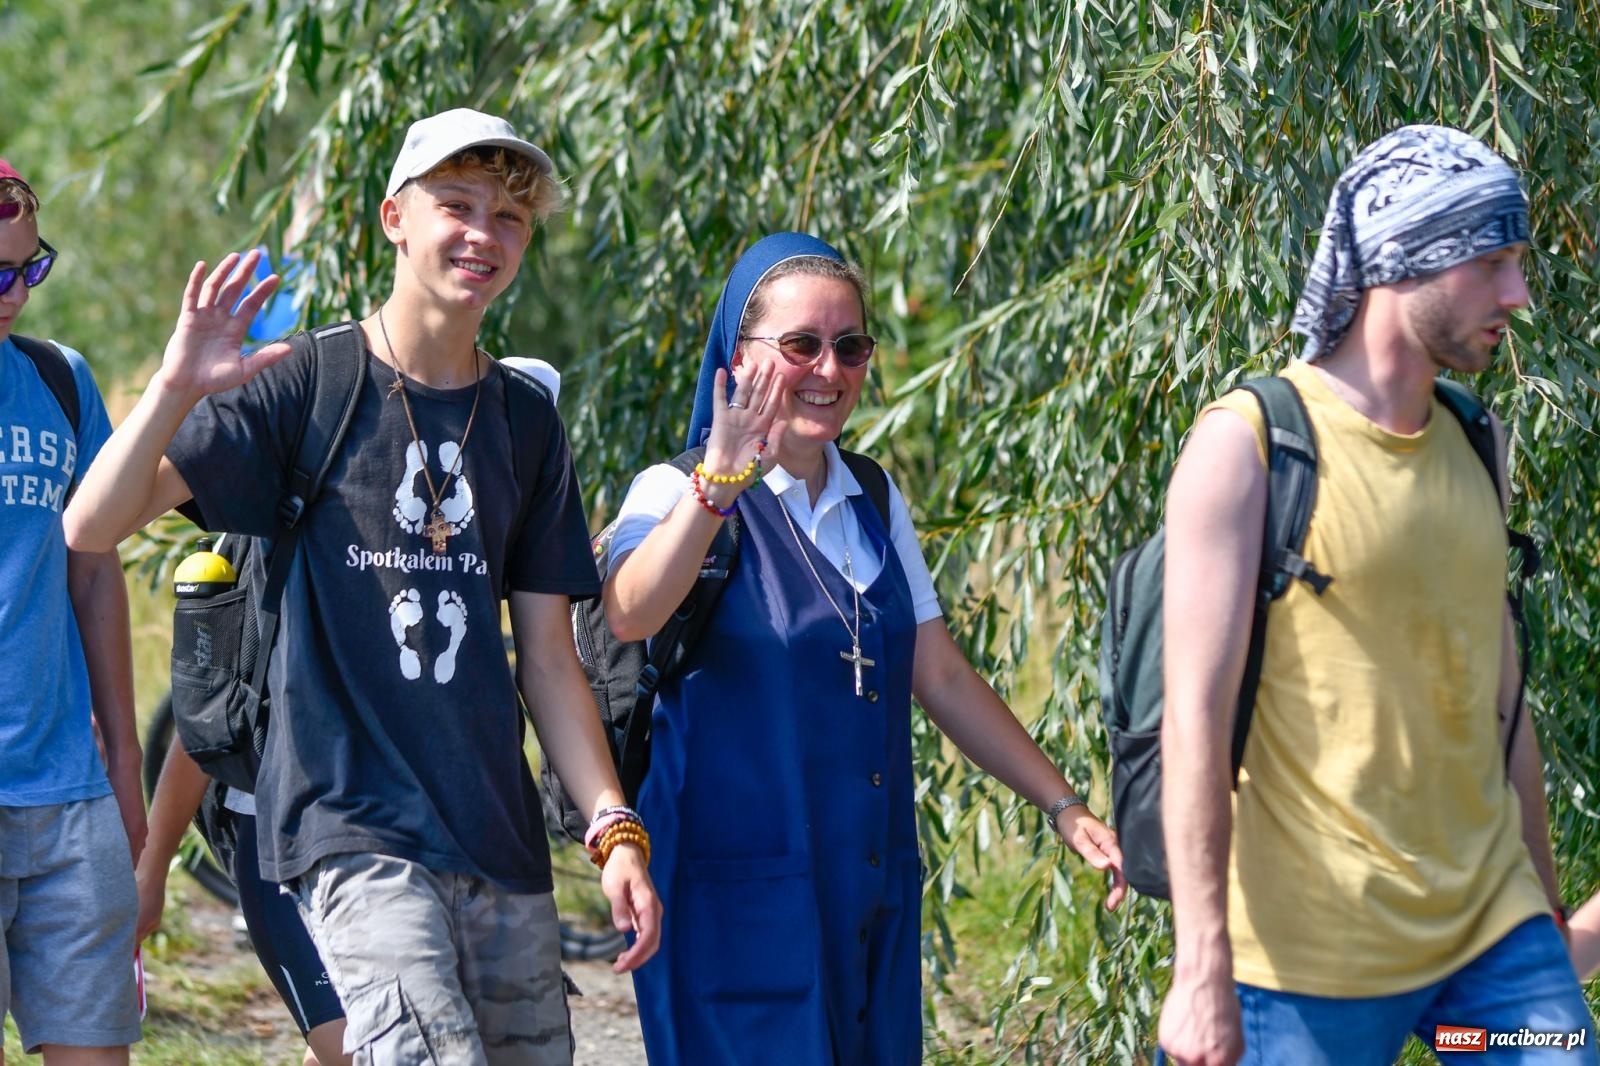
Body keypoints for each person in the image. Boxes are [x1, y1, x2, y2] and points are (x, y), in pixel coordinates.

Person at [63, 108, 660, 1065]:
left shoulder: (524, 421)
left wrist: (611, 825)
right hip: (351, 834)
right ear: (394, 217)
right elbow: (90, 526)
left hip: (498, 843)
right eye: (455, 205)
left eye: (508, 217)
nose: (482, 234)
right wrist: (177, 386)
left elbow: (550, 661)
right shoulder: (305, 383)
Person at [604, 231, 1126, 1064]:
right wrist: (720, 484)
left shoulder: (872, 499)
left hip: (863, 888)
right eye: (801, 344)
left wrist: (1063, 806)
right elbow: (629, 611)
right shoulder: (673, 490)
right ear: (737, 356)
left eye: (850, 347)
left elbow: (941, 672)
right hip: (732, 899)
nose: (830, 369)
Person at [1155, 125, 1594, 1066]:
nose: (1518, 294)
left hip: (1492, 952)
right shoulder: (1249, 447)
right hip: (1310, 969)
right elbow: (1190, 719)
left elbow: (1502, 704)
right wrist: (1201, 967)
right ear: (1405, 263)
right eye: (1492, 263)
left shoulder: (1476, 443)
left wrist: (1546, 910)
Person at [0, 158, 145, 1065]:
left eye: (27, 269)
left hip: (69, 796)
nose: (14, 295)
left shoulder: (59, 381)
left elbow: (94, 571)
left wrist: (125, 759)